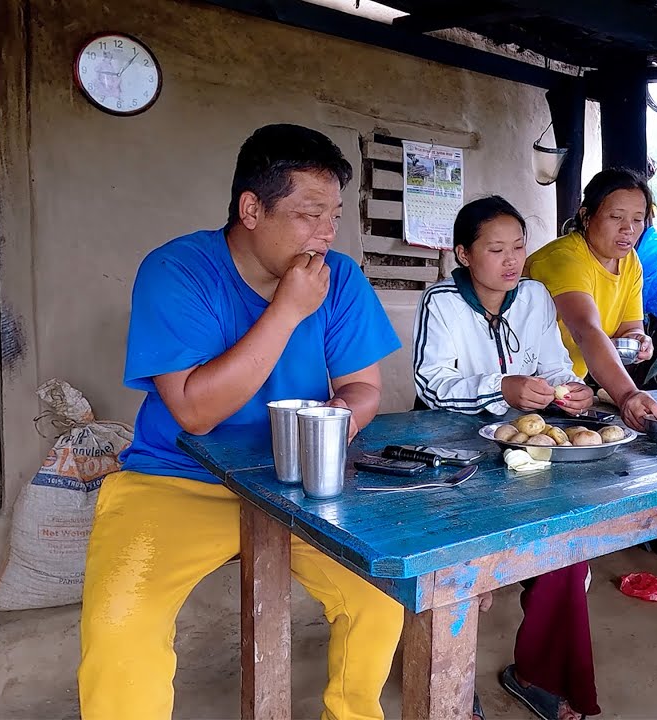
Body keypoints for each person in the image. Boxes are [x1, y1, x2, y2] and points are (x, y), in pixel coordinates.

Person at [78, 123, 405, 720]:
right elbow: (195, 414)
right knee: (121, 623)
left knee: (379, 598)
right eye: (308, 215)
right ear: (251, 208)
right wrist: (286, 310)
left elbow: (363, 388)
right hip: (178, 477)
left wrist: (342, 417)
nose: (326, 235)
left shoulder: (342, 279)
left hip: (295, 483)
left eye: (333, 216)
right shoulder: (178, 270)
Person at [413, 196, 601, 720]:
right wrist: (502, 387)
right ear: (464, 254)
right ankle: (452, 691)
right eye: (495, 249)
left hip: (526, 446)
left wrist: (571, 390)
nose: (511, 260)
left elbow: (556, 364)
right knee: (460, 568)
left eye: (518, 246)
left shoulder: (536, 295)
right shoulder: (442, 302)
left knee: (565, 548)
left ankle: (536, 675)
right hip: (452, 451)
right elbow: (432, 383)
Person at [524, 168, 657, 430]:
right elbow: (585, 331)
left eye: (638, 219)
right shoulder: (565, 258)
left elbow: (629, 327)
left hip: (565, 388)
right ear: (586, 216)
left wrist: (638, 339)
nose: (628, 229)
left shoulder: (630, 262)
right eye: (616, 217)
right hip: (525, 388)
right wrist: (626, 395)